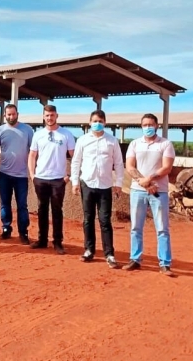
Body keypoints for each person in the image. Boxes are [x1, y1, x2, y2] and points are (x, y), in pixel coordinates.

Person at [71, 109, 124, 268]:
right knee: (88, 219)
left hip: (105, 185)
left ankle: (109, 254)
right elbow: (76, 162)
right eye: (95, 121)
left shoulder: (112, 141)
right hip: (87, 183)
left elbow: (119, 163)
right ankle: (89, 250)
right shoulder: (82, 140)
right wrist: (75, 182)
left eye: (100, 121)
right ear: (90, 123)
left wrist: (118, 184)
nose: (97, 124)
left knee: (105, 220)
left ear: (105, 123)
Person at [124, 113, 175, 275]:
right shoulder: (134, 144)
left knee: (162, 228)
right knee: (135, 227)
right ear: (141, 126)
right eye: (145, 125)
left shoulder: (165, 144)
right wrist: (143, 182)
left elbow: (167, 168)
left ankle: (165, 263)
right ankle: (135, 259)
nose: (148, 127)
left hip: (159, 191)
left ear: (157, 126)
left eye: (151, 124)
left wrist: (150, 179)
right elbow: (130, 166)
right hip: (138, 191)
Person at [28, 105, 75, 255]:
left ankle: (57, 242)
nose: (50, 118)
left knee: (56, 210)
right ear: (43, 116)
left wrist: (70, 176)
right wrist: (32, 175)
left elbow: (75, 157)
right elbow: (32, 155)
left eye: (52, 115)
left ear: (57, 116)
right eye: (47, 115)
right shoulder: (38, 135)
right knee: (42, 209)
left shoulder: (66, 134)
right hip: (40, 178)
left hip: (58, 179)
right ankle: (42, 240)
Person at [0, 104, 34, 244]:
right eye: (8, 114)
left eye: (13, 114)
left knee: (22, 205)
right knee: (5, 203)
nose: (11, 117)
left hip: (21, 175)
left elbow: (33, 152)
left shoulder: (28, 130)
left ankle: (23, 232)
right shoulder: (0, 131)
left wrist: (34, 170)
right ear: (5, 115)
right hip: (4, 174)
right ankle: (6, 228)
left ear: (18, 114)